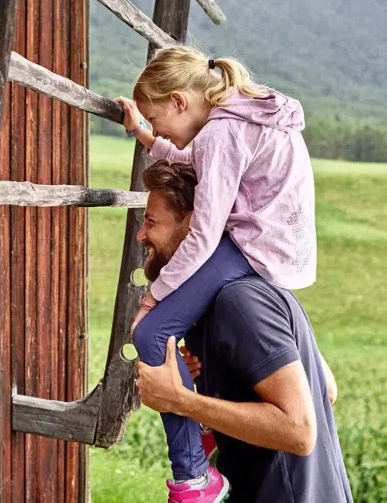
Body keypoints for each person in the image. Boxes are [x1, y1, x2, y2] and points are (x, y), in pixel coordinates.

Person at [113, 46, 317, 498]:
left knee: (148, 333)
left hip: (252, 248)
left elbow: (203, 237)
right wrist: (147, 135)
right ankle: (200, 436)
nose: (163, 129)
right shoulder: (238, 119)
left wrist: (154, 295)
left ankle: (195, 477)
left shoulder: (223, 132)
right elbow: (195, 159)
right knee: (161, 334)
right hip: (271, 248)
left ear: (180, 101)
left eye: (160, 119)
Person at [135, 160, 352, 502]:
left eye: (151, 222)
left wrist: (182, 401)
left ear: (194, 226)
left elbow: (299, 429)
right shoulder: (226, 297)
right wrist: (211, 391)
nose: (141, 235)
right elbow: (324, 386)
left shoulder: (239, 301)